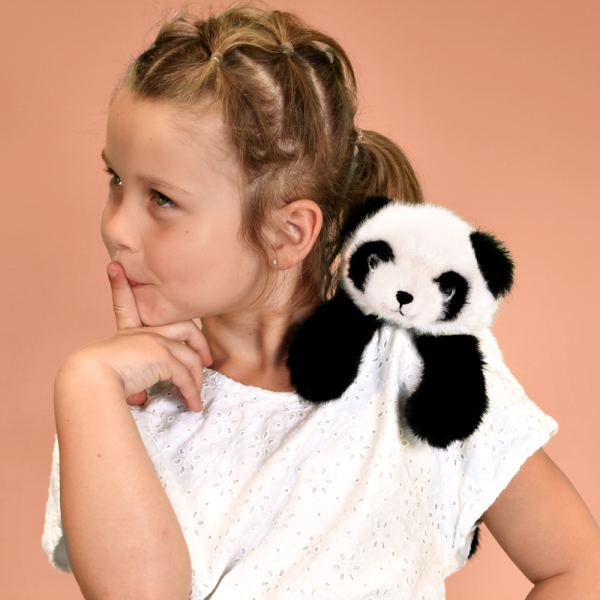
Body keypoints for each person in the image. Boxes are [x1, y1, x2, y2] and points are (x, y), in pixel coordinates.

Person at [42, 5, 600, 599]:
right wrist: (86, 384)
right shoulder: (119, 406)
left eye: (161, 198)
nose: (116, 227)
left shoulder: (419, 367)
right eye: (115, 180)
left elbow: (578, 567)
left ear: (287, 233)